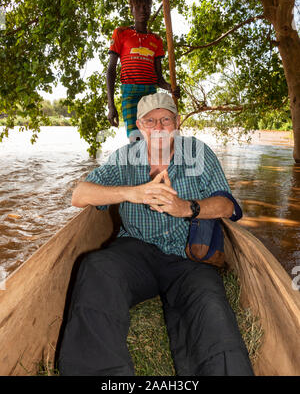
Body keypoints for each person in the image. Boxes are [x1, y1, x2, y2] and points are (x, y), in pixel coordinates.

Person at [58, 93, 254, 376]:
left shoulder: (199, 152)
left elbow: (228, 206)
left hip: (187, 256)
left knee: (210, 307)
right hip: (135, 250)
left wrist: (186, 208)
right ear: (139, 126)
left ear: (177, 123)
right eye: (150, 121)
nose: (159, 127)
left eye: (165, 119)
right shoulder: (124, 158)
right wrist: (132, 193)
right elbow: (78, 195)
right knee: (97, 268)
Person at [106, 0, 180, 140]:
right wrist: (110, 105)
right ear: (131, 10)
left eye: (146, 7)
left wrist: (171, 88)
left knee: (152, 140)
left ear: (150, 9)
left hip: (150, 94)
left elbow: (159, 79)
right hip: (130, 93)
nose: (142, 10)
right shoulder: (121, 33)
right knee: (135, 140)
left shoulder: (156, 40)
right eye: (138, 7)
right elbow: (111, 70)